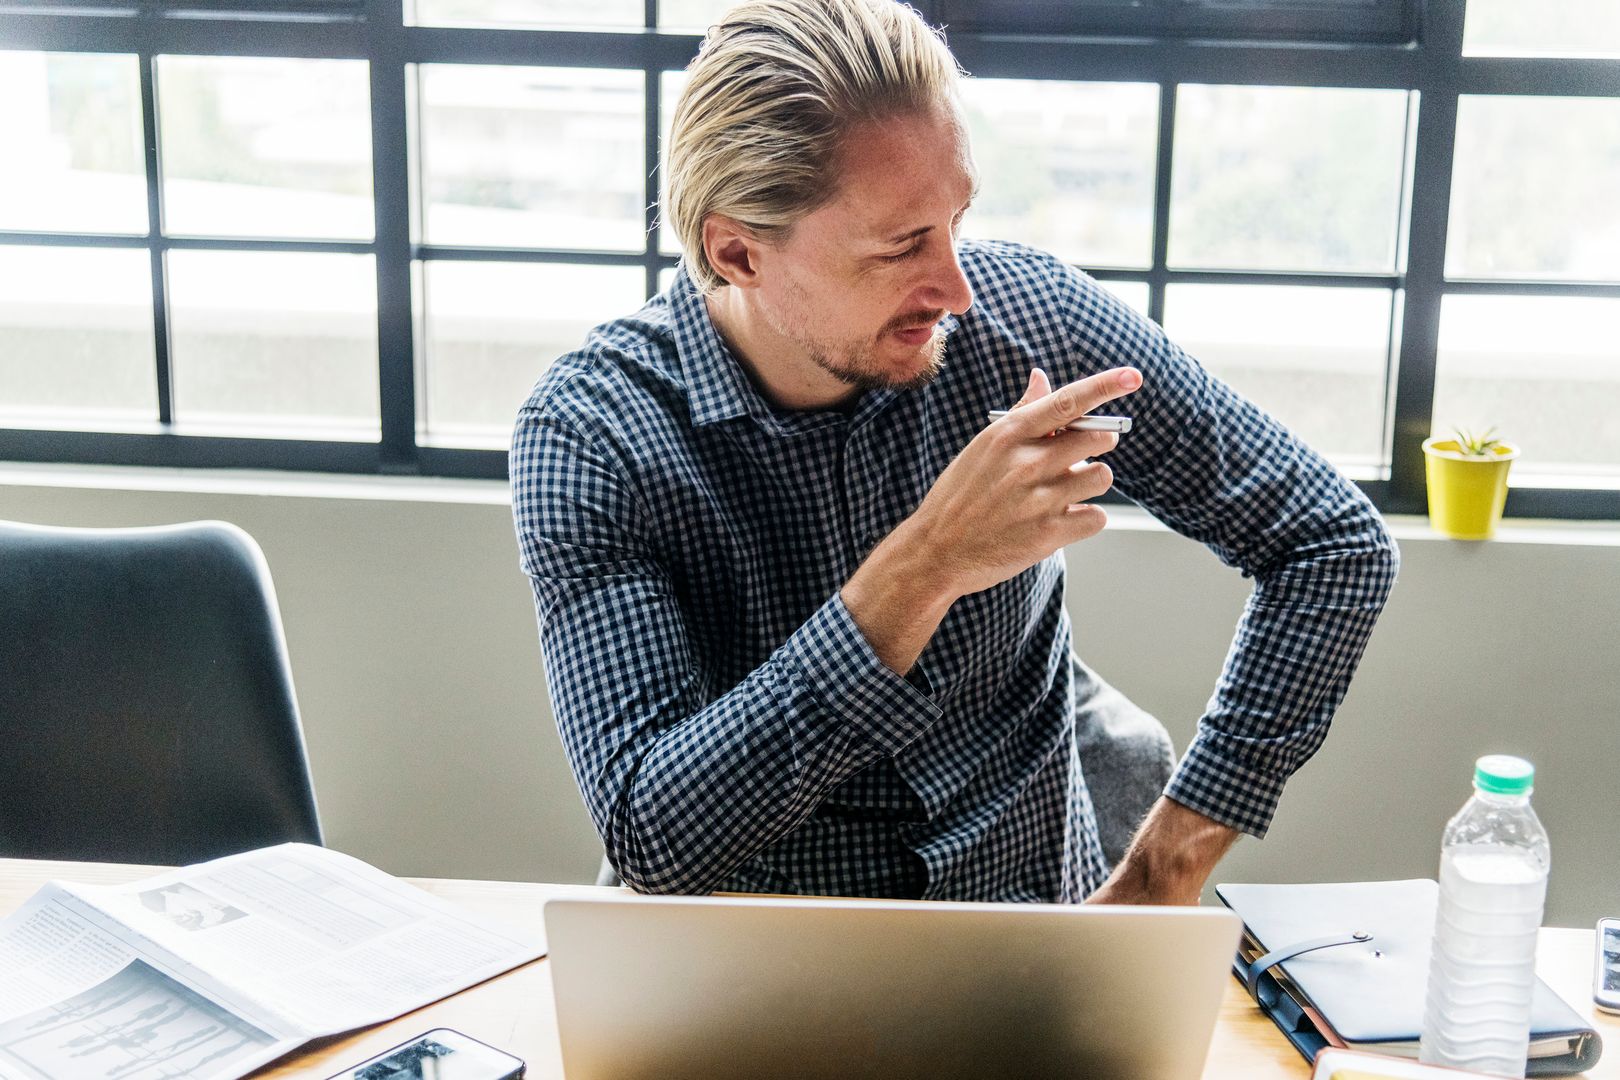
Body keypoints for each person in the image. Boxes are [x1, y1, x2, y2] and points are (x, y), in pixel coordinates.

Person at [509, 0, 1398, 903]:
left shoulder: (1025, 327)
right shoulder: (594, 436)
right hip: (765, 968)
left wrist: (1164, 871)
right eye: (901, 247)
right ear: (738, 252)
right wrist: (927, 564)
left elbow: (1331, 545)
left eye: (956, 222)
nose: (956, 288)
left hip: (1039, 946)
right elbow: (653, 838)